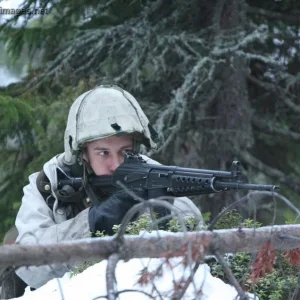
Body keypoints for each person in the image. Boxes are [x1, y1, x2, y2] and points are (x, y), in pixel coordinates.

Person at [6, 85, 202, 294]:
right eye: (103, 153)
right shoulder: (47, 185)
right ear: (82, 152)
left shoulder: (152, 175)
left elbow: (195, 231)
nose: (115, 164)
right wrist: (92, 222)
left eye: (125, 151)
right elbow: (27, 268)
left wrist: (163, 211)